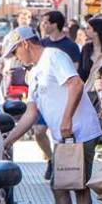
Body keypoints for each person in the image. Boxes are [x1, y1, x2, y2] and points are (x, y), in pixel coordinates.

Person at [2, 25, 102, 204]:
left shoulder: (54, 57)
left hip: (80, 131)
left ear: (25, 44)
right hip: (64, 136)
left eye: (15, 52)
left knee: (78, 185)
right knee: (59, 185)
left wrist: (67, 118)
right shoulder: (33, 72)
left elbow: (76, 84)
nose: (16, 59)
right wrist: (8, 141)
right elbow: (30, 113)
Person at [34, 10, 82, 179]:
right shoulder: (42, 43)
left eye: (46, 22)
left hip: (63, 98)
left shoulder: (70, 46)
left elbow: (74, 73)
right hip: (45, 96)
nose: (43, 25)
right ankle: (51, 159)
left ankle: (63, 166)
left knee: (61, 133)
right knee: (39, 131)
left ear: (55, 24)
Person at [78, 17, 102, 138]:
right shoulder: (86, 49)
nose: (86, 30)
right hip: (88, 91)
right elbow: (81, 71)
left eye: (88, 28)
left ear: (96, 30)